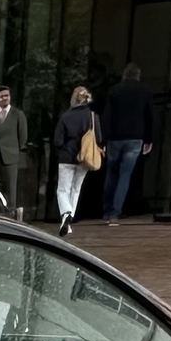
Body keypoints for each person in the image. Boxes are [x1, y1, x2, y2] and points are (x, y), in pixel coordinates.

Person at [101, 63, 153, 222]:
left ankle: (107, 211)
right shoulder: (145, 91)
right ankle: (115, 212)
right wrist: (149, 139)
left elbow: (106, 116)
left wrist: (103, 139)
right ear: (138, 75)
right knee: (125, 175)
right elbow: (150, 116)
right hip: (135, 138)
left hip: (114, 138)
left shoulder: (114, 90)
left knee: (111, 174)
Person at [50, 86, 99, 237]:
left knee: (62, 189)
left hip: (67, 157)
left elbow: (58, 140)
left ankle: (66, 213)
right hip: (85, 158)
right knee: (76, 189)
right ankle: (69, 222)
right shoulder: (92, 116)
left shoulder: (65, 116)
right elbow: (100, 138)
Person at [0, 87, 28, 213]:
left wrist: (17, 150)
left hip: (10, 156)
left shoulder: (18, 114)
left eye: (7, 95)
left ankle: (10, 213)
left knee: (10, 187)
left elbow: (23, 136)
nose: (5, 98)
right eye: (2, 96)